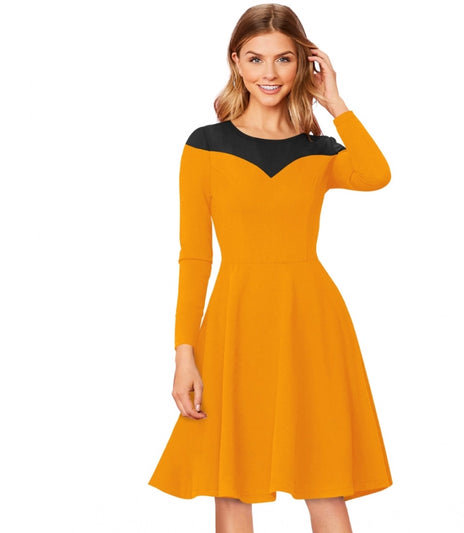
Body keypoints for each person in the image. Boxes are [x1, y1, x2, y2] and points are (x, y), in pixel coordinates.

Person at [149, 3, 393, 532]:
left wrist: (336, 103)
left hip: (310, 321)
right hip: (234, 323)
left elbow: (376, 174)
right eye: (256, 58)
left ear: (303, 64)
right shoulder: (205, 145)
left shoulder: (320, 151)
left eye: (284, 59)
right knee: (232, 484)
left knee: (324, 480)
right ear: (236, 62)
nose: (270, 73)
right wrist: (184, 353)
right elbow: (195, 257)